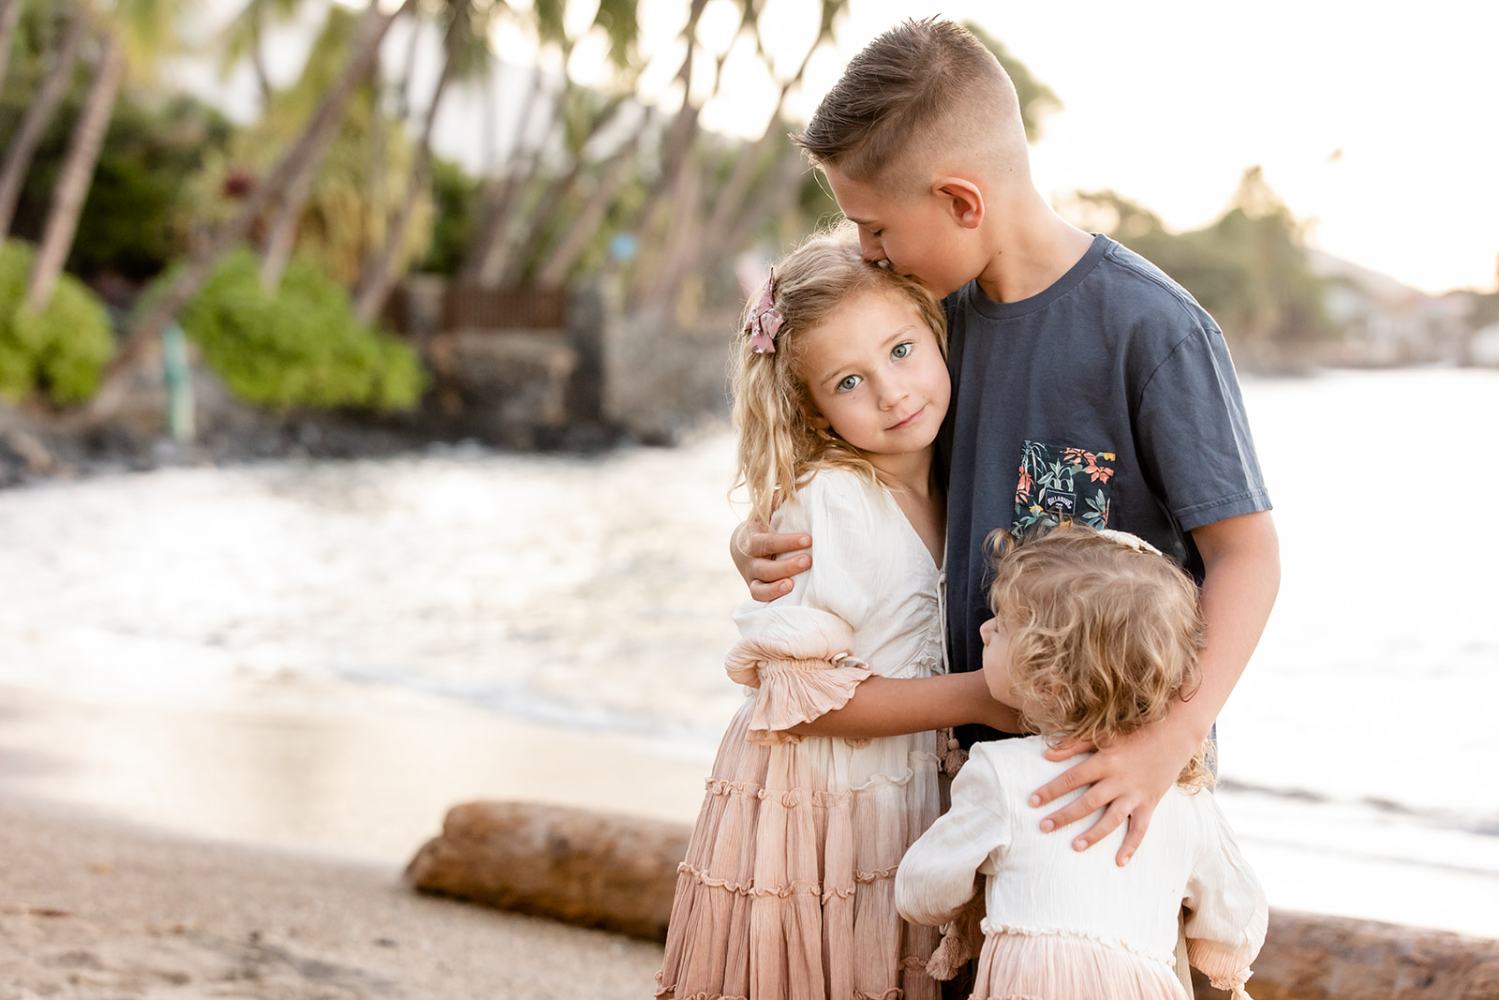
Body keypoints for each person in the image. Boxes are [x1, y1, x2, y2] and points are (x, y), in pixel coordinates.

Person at [733, 17, 1280, 873]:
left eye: (874, 228)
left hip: (1106, 779)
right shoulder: (922, 328)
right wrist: (762, 543)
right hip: (963, 774)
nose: (867, 253)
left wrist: (1164, 745)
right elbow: (866, 486)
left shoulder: (1153, 331)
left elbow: (1247, 556)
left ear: (959, 201)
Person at [656, 227, 1017, 1000]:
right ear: (814, 412)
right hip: (818, 814)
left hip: (895, 803)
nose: (891, 392)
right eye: (848, 382)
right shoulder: (834, 503)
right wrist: (991, 695)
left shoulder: (957, 484)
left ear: (935, 331)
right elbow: (796, 704)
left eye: (900, 350)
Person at [895, 524, 1268, 1000]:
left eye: (1003, 625)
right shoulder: (1182, 798)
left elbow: (921, 893)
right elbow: (1236, 917)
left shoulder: (1000, 772)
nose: (985, 629)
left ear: (1049, 678)